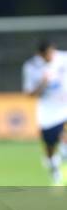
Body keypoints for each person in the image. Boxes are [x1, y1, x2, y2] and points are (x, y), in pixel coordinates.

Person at [23, 40, 67, 185]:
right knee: (49, 145)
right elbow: (29, 94)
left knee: (65, 136)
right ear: (40, 54)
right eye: (46, 55)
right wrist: (43, 83)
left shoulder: (63, 58)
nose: (50, 56)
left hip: (64, 106)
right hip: (48, 113)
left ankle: (64, 153)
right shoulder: (31, 67)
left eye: (51, 53)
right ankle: (52, 163)